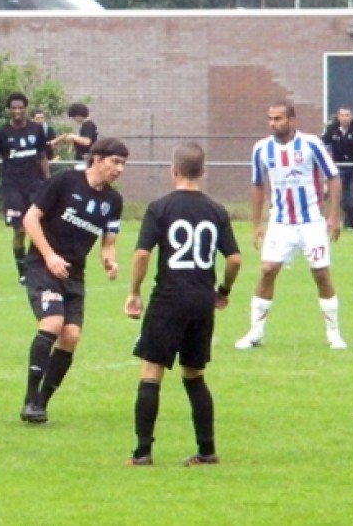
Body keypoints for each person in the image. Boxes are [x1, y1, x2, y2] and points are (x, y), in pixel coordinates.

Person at [123, 142, 241, 466]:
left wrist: (133, 291)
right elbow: (234, 258)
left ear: (172, 171)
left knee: (150, 372)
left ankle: (142, 453)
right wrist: (223, 290)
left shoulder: (160, 207)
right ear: (202, 171)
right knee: (194, 374)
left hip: (169, 298)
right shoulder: (216, 210)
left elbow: (143, 253)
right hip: (202, 300)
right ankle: (206, 451)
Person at [19, 137, 129, 424]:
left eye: (123, 164)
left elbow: (108, 243)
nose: (120, 169)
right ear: (97, 158)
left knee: (71, 336)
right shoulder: (65, 182)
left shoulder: (113, 201)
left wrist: (109, 259)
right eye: (115, 162)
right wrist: (50, 255)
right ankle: (30, 398)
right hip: (43, 266)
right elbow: (30, 220)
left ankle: (42, 403)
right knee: (52, 324)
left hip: (74, 274)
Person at [235, 101, 346, 350]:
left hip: (311, 223)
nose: (273, 123)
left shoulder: (311, 144)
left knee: (321, 274)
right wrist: (256, 223)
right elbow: (257, 185)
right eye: (270, 118)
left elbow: (333, 177)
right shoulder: (261, 149)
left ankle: (333, 333)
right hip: (280, 222)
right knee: (267, 270)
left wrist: (334, 215)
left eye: (278, 119)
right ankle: (255, 332)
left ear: (292, 120)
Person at [0, 92, 50, 284]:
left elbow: (43, 157)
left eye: (21, 107)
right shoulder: (2, 133)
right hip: (13, 188)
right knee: (19, 230)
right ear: (9, 110)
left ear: (25, 108)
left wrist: (49, 183)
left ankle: (39, 267)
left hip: (35, 186)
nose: (18, 111)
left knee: (39, 228)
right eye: (14, 108)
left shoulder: (36, 129)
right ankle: (22, 272)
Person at [321, 107, 353, 230]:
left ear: (352, 117)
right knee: (342, 198)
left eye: (347, 115)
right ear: (338, 117)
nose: (345, 118)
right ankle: (352, 222)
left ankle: (351, 223)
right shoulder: (332, 129)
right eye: (342, 115)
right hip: (339, 167)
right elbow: (322, 144)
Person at [51, 103, 98, 169]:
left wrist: (73, 137)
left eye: (74, 117)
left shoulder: (88, 125)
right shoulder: (86, 125)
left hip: (85, 158)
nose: (74, 120)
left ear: (78, 115)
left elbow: (87, 141)